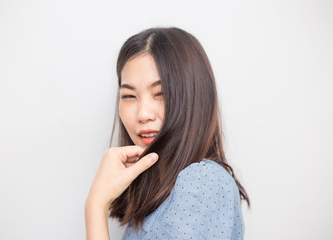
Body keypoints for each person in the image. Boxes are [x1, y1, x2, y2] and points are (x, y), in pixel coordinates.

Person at [85, 27, 250, 240]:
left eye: (160, 94)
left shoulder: (201, 181)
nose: (143, 114)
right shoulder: (160, 189)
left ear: (193, 97)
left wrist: (95, 205)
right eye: (129, 96)